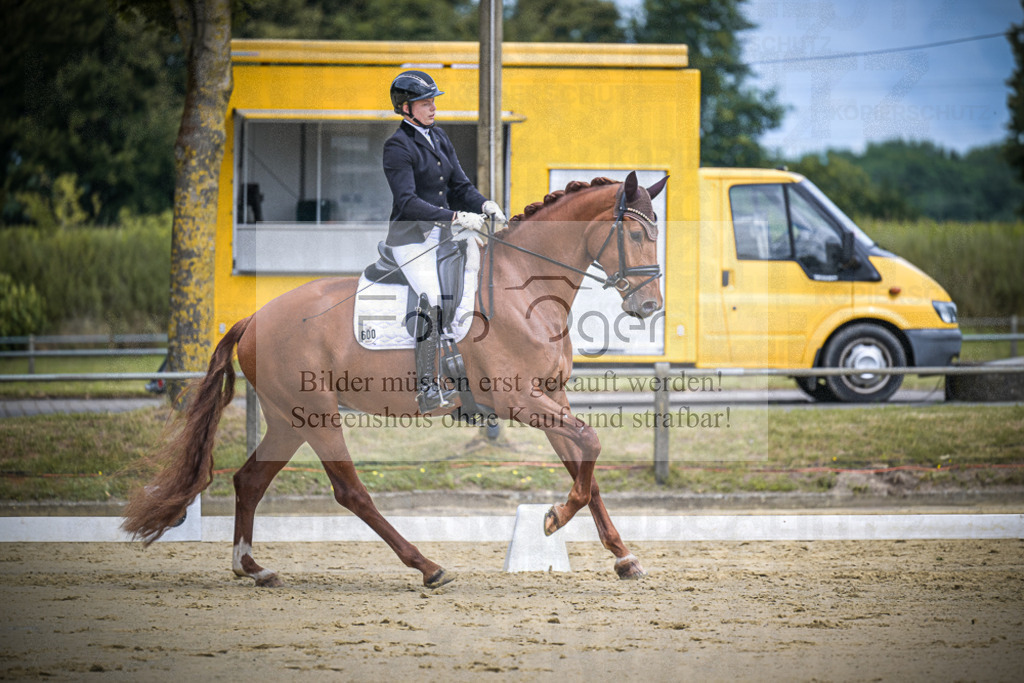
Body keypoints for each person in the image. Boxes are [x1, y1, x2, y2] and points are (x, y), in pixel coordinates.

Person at [384, 70, 506, 412]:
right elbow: (407, 202)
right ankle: (427, 386)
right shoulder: (397, 146)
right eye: (425, 102)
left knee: (482, 281)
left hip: (446, 237)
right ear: (406, 107)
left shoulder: (439, 137)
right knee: (434, 298)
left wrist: (484, 204)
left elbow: (459, 187)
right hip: (412, 239)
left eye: (433, 101)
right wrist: (454, 217)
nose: (433, 107)